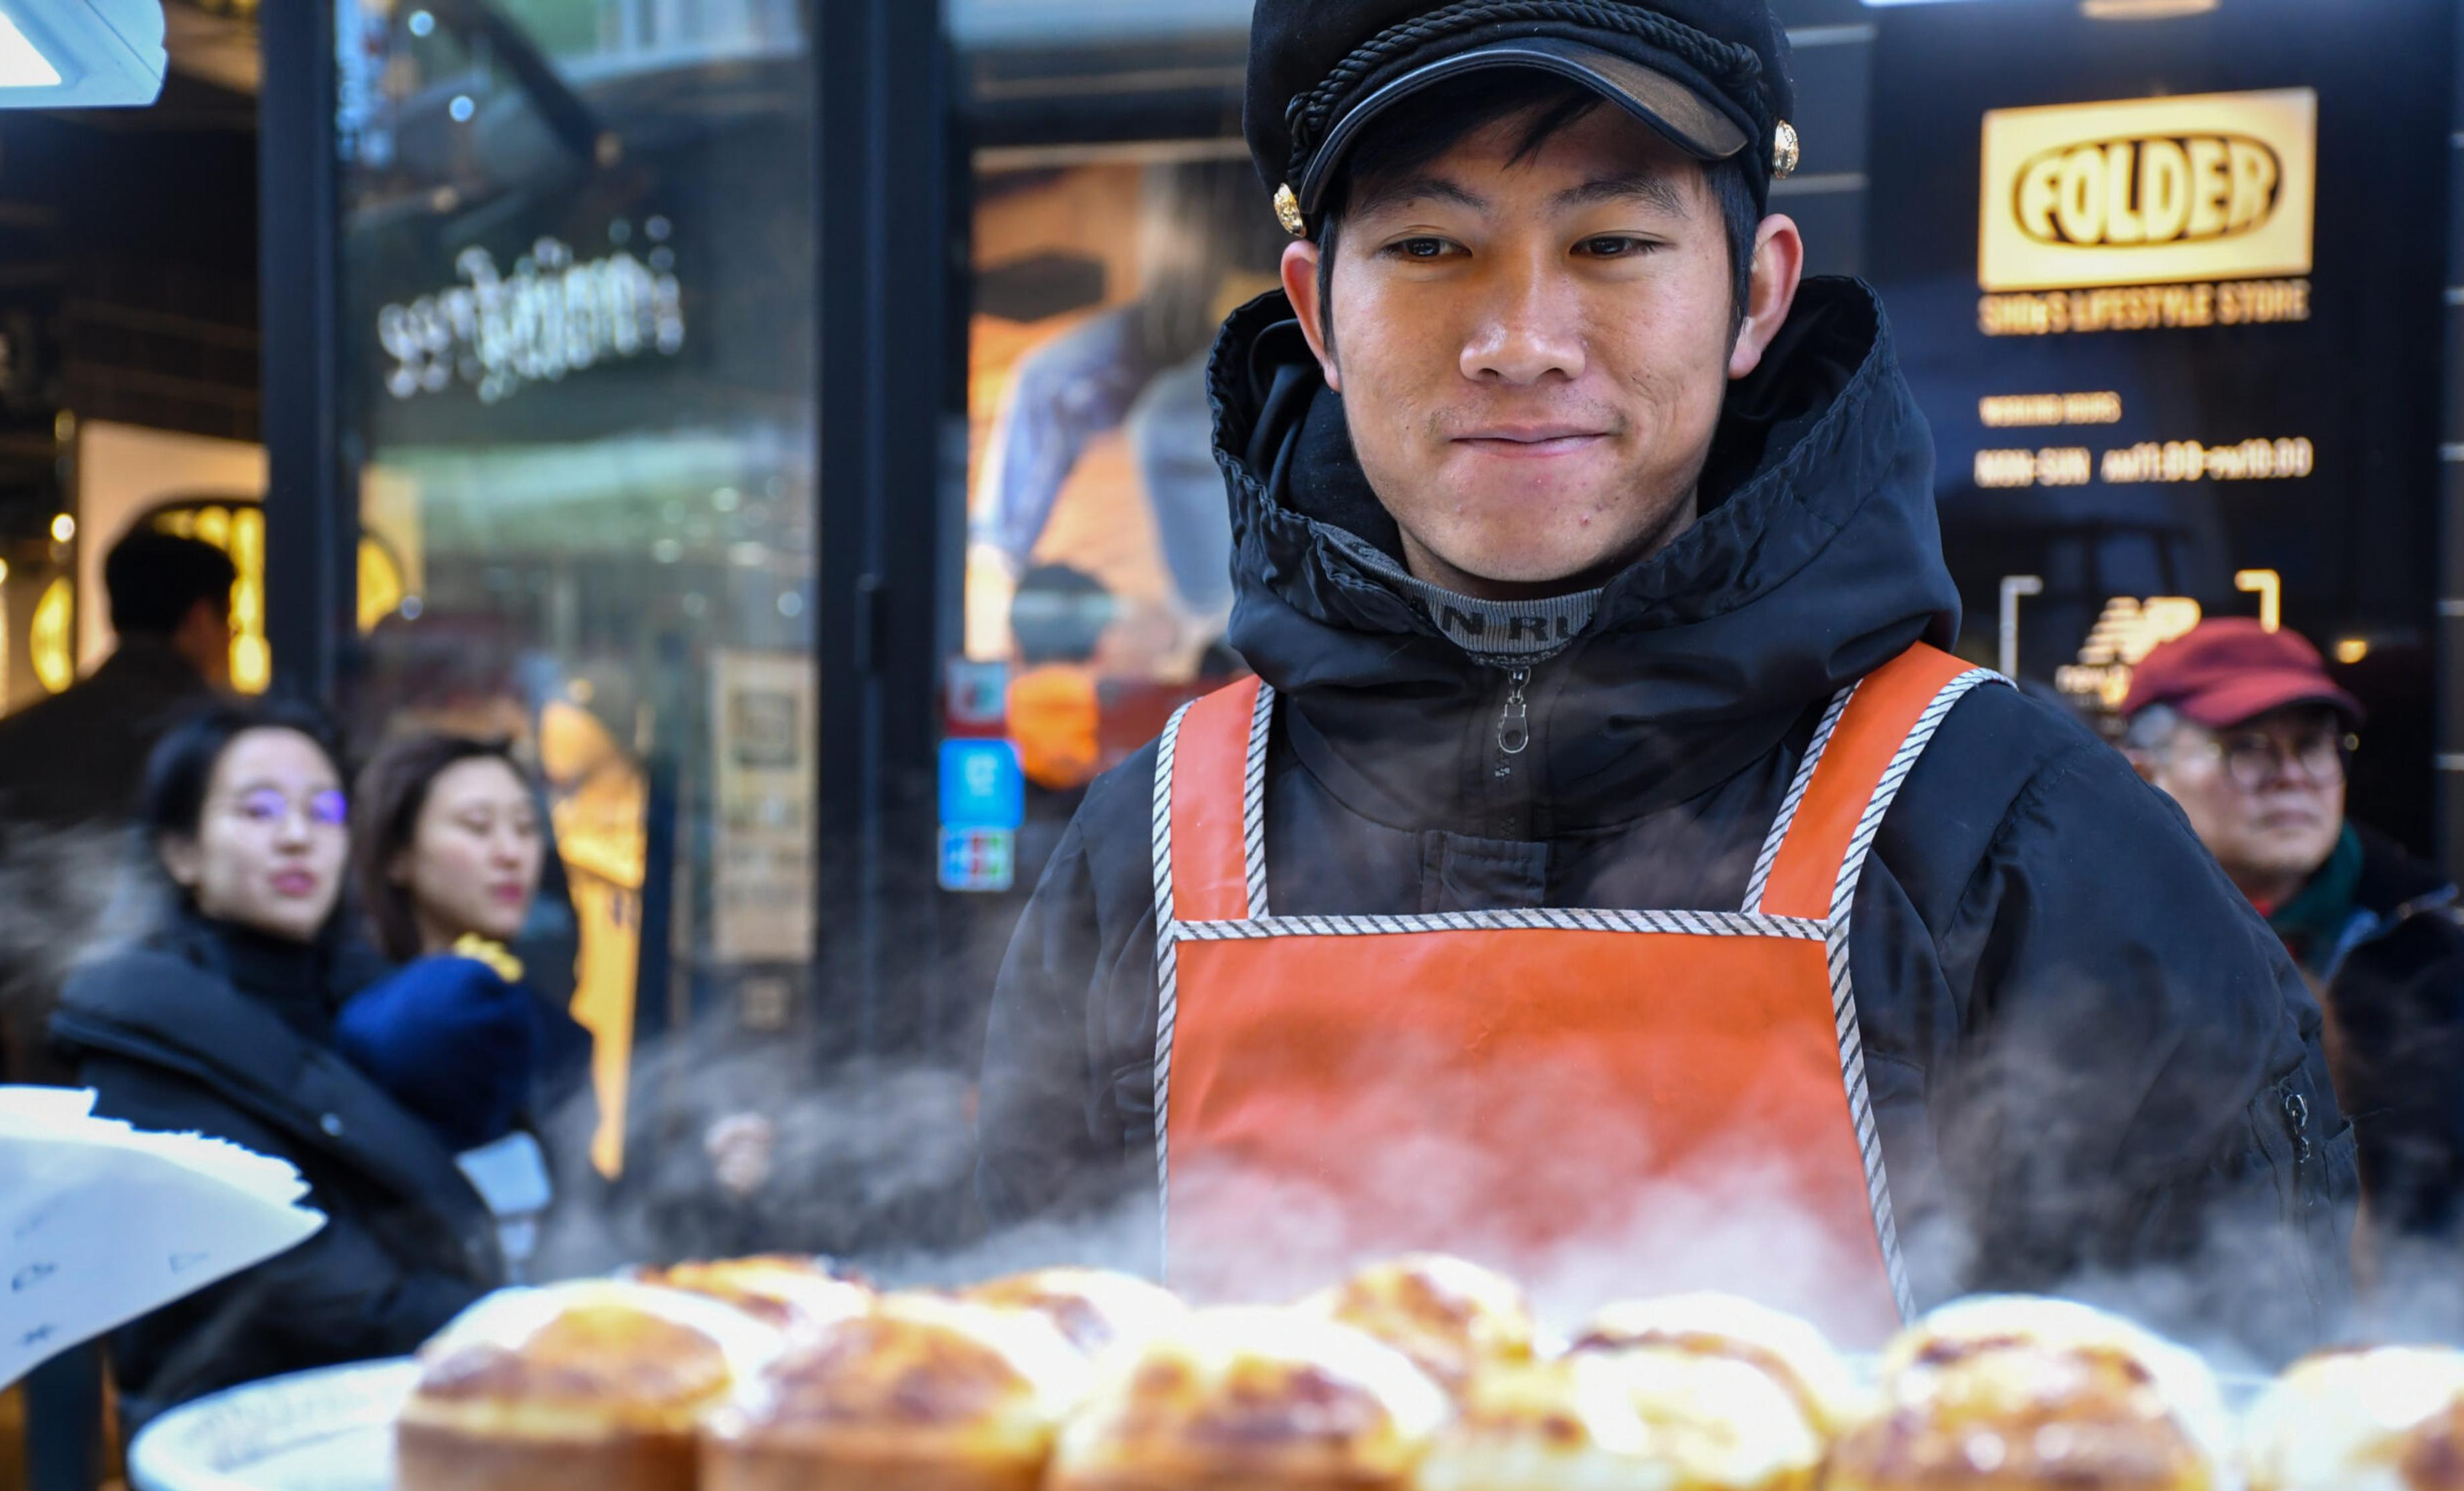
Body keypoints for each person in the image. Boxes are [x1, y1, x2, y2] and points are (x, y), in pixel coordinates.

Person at [977, 0, 2354, 1355]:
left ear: (1754, 292)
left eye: (1614, 240)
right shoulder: (1152, 849)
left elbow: (2194, 1458)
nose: (1520, 337)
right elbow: (1032, 1413)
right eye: (1430, 243)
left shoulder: (2014, 837)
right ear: (1317, 314)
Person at [48, 701, 501, 1473]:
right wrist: (498, 1321)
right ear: (182, 851)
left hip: (399, 1441)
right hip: (232, 1468)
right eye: (258, 809)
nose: (298, 835)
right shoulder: (145, 1027)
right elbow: (295, 1269)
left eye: (324, 810)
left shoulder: (382, 1010)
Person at [0, 528, 232, 1491]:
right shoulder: (219, 734)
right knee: (189, 1266)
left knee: (62, 1274)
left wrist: (20, 1010)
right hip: (197, 1050)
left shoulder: (24, 736)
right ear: (205, 618)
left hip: (51, 1043)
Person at [2123, 620, 2464, 1244]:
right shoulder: (2097, 949)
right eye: (2247, 746)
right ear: (2144, 774)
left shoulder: (2434, 949)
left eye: (2312, 744)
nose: (2291, 775)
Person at [340, 733, 596, 1276]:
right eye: (476, 827)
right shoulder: (353, 1021)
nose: (510, 853)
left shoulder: (550, 1029)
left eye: (526, 829)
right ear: (398, 856)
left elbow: (587, 1208)